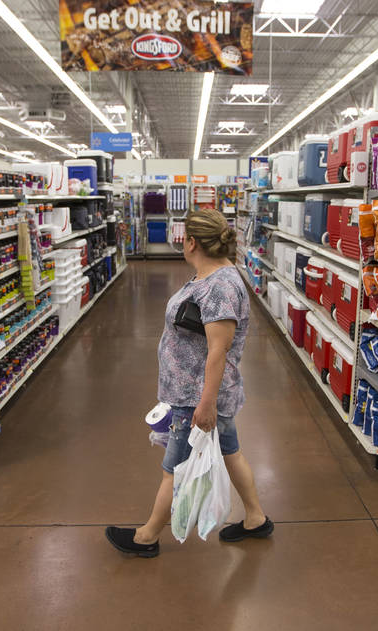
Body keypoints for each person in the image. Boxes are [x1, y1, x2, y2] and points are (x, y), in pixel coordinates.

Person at [106, 209, 272, 557]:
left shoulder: (220, 288)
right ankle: (256, 518)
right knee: (231, 452)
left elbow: (218, 350)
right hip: (200, 393)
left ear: (192, 241)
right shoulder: (208, 276)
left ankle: (146, 537)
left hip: (197, 398)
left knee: (174, 470)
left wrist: (206, 404)